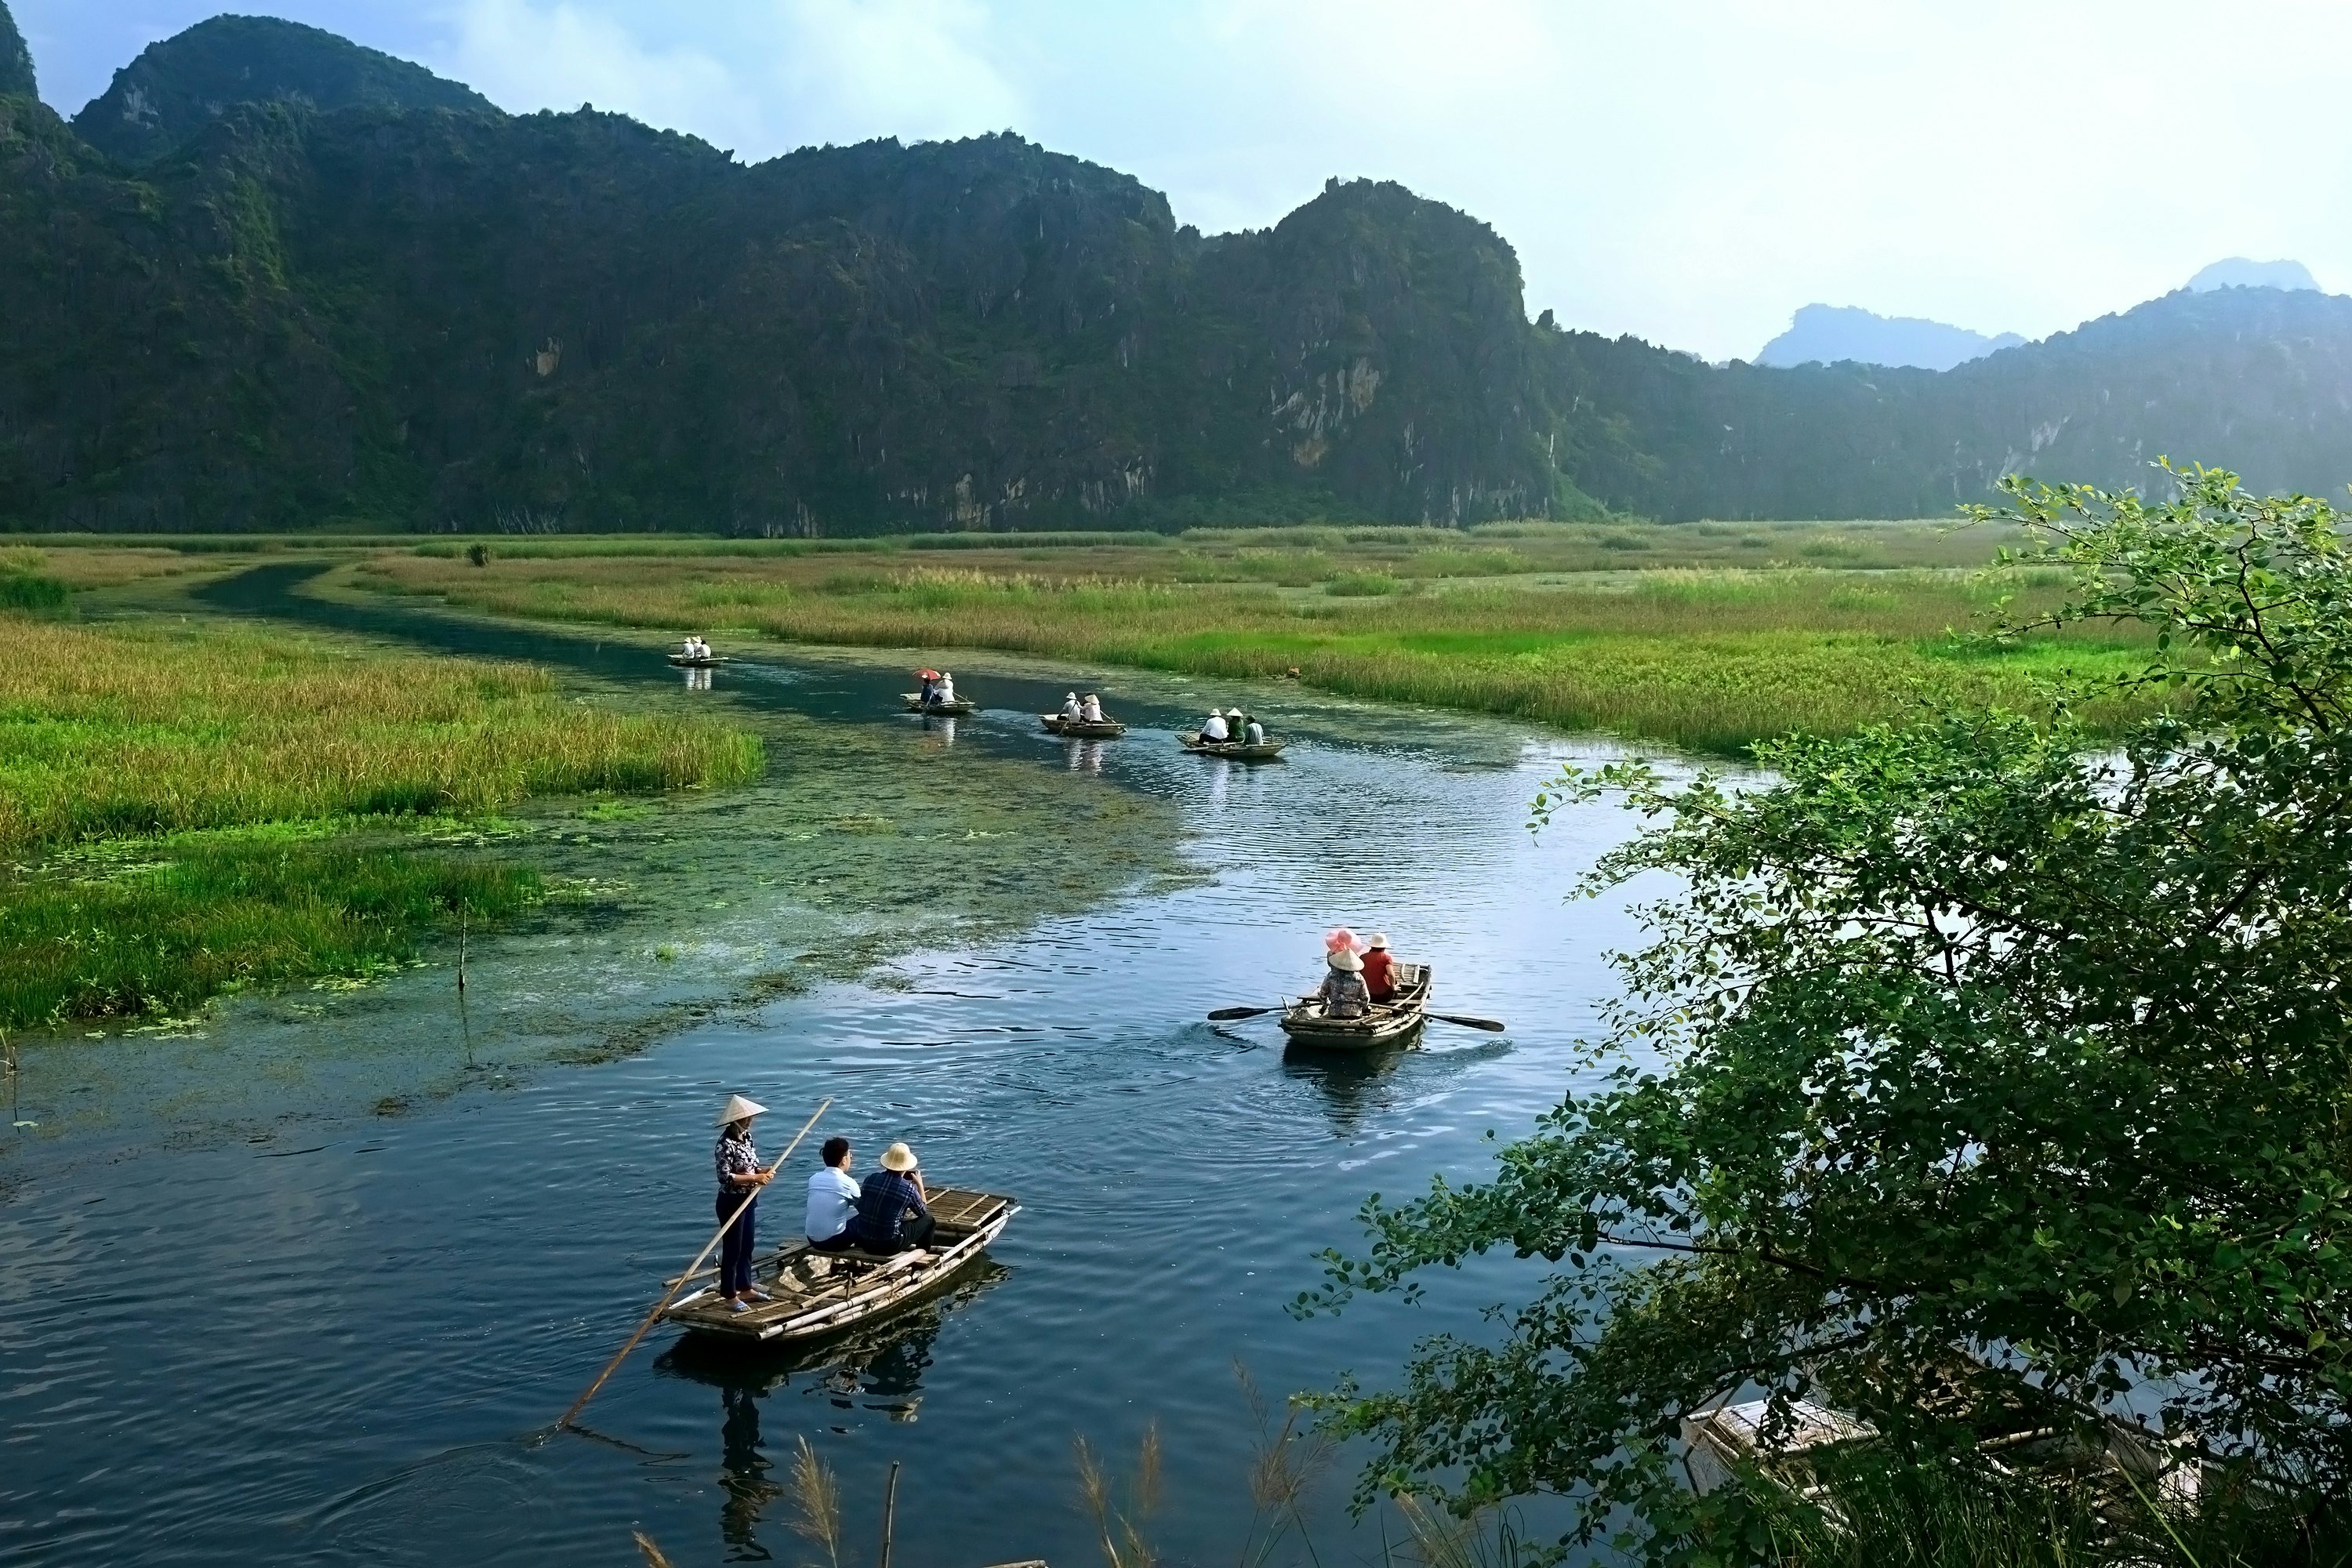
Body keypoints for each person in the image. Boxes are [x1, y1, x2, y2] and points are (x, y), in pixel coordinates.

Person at [712, 1094, 775, 1312]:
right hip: (732, 1200)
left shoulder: (747, 1138)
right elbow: (726, 1177)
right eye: (746, 1118)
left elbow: (752, 1165)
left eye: (751, 1117)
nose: (750, 1121)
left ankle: (745, 1286)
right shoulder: (724, 1144)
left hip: (749, 1198)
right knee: (733, 1248)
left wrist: (763, 1171)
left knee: (747, 1244)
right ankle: (729, 1294)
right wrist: (755, 1178)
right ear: (735, 1120)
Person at [848, 1141, 935, 1254]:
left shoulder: (870, 1179)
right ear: (907, 1166)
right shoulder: (908, 1189)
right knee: (929, 1220)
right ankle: (921, 1255)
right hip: (889, 1246)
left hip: (864, 1242)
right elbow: (922, 1211)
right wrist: (920, 1184)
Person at [804, 1135, 862, 1251]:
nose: (851, 1159)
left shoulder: (814, 1179)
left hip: (811, 1239)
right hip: (834, 1242)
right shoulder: (848, 1183)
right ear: (844, 1160)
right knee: (866, 1218)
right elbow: (863, 1207)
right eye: (850, 1156)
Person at [1316, 944, 1371, 1020]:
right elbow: (1366, 998)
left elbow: (1322, 994)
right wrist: (1363, 1007)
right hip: (1354, 1014)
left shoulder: (1331, 976)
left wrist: (1326, 1004)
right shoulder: (1359, 978)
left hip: (1335, 1013)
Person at [1361, 931, 1396, 1002]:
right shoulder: (1387, 958)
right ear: (1384, 947)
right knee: (1395, 981)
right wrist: (1393, 987)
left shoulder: (1362, 957)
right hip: (1384, 996)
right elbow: (1391, 974)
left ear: (1371, 946)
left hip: (1366, 995)